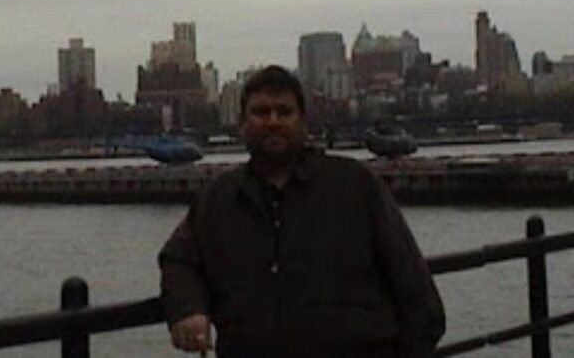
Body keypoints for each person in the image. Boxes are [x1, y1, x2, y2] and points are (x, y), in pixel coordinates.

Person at [158, 65, 445, 357]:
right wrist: (188, 308)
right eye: (261, 112)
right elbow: (178, 260)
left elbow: (418, 298)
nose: (273, 121)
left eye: (284, 112)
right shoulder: (219, 199)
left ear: (303, 122)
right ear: (242, 124)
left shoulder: (356, 186)